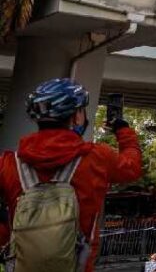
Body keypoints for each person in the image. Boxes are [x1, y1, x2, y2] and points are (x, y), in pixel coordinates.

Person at [0, 78, 143, 272]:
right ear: (76, 116)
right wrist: (123, 130)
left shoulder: (8, 163)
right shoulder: (97, 157)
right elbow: (132, 167)